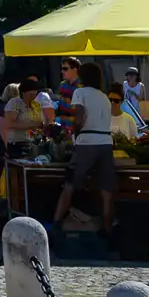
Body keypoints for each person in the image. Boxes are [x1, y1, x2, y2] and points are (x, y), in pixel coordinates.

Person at [51, 60, 117, 235]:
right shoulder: (104, 96)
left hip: (87, 141)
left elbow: (79, 118)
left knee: (71, 183)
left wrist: (75, 132)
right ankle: (108, 229)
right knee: (106, 189)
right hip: (106, 142)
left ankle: (56, 224)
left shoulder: (80, 93)